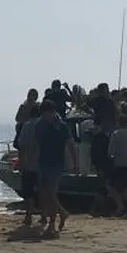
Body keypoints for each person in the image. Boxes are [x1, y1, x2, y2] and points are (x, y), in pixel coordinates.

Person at [30, 100, 73, 235]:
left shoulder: (62, 126)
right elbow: (36, 144)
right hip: (43, 162)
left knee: (51, 192)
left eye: (47, 113)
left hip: (57, 162)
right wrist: (32, 160)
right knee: (45, 193)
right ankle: (62, 212)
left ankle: (52, 224)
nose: (45, 116)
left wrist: (75, 163)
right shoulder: (39, 125)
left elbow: (70, 144)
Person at [15, 105, 42, 228]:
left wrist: (21, 161)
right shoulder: (45, 125)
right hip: (43, 164)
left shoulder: (27, 125)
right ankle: (44, 215)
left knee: (28, 192)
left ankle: (29, 216)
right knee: (42, 190)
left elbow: (22, 145)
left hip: (29, 163)